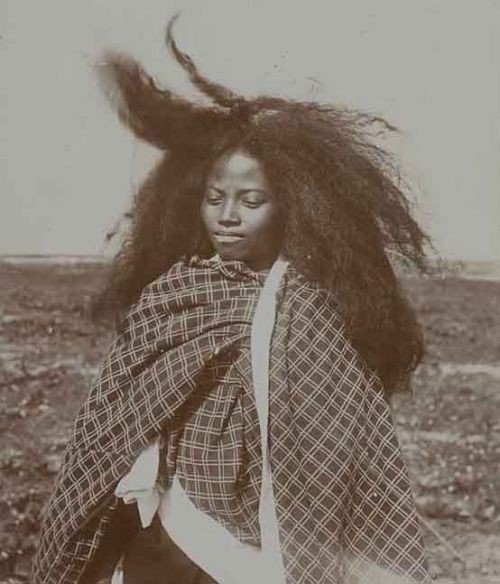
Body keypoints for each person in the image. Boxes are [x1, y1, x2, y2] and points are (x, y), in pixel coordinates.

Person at [32, 16, 432, 584]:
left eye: (251, 200)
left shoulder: (314, 310)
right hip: (169, 532)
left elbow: (345, 436)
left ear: (292, 206)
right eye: (215, 197)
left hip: (267, 548)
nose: (226, 215)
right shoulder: (176, 292)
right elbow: (114, 426)